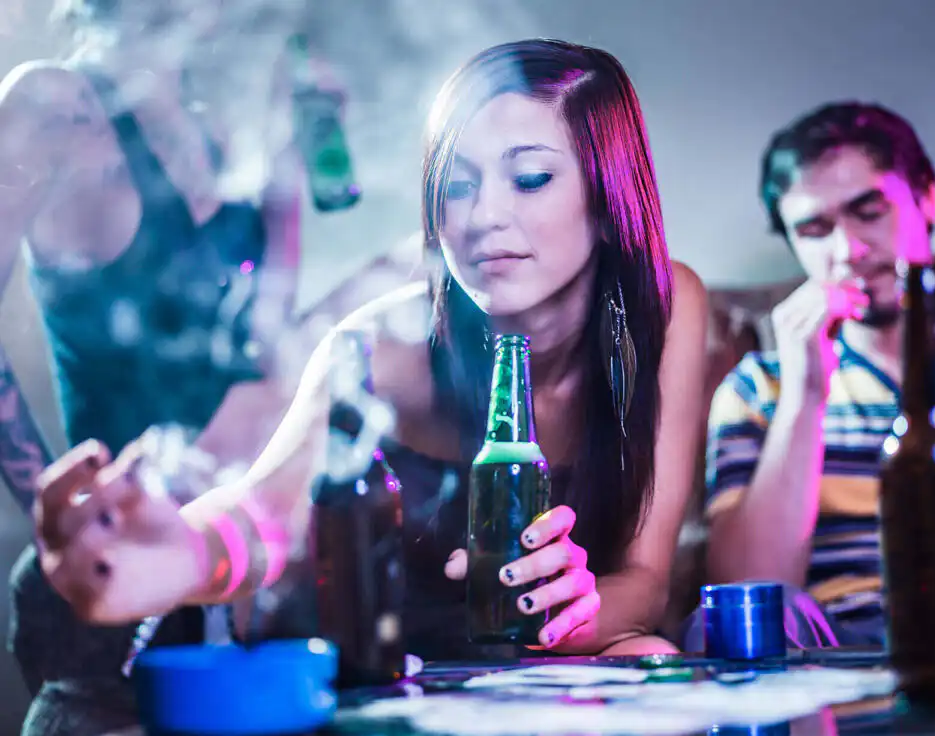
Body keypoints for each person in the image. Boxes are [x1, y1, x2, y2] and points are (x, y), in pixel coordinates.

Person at [32, 39, 709, 664]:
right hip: (384, 678)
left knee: (649, 656)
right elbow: (260, 514)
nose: (481, 217)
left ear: (607, 191)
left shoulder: (663, 310)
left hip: (558, 667)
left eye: (529, 178)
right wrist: (179, 556)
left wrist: (558, 615)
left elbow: (644, 582)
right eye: (457, 184)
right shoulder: (381, 347)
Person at [0, 0, 419, 736]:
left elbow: (262, 342)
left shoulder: (215, 123)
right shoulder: (55, 106)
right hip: (113, 578)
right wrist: (56, 507)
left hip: (234, 559)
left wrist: (291, 166)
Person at [701, 102, 935, 646]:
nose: (847, 250)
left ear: (925, 197)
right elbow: (747, 597)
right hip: (837, 644)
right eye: (813, 229)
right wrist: (805, 396)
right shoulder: (757, 387)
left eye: (869, 210)